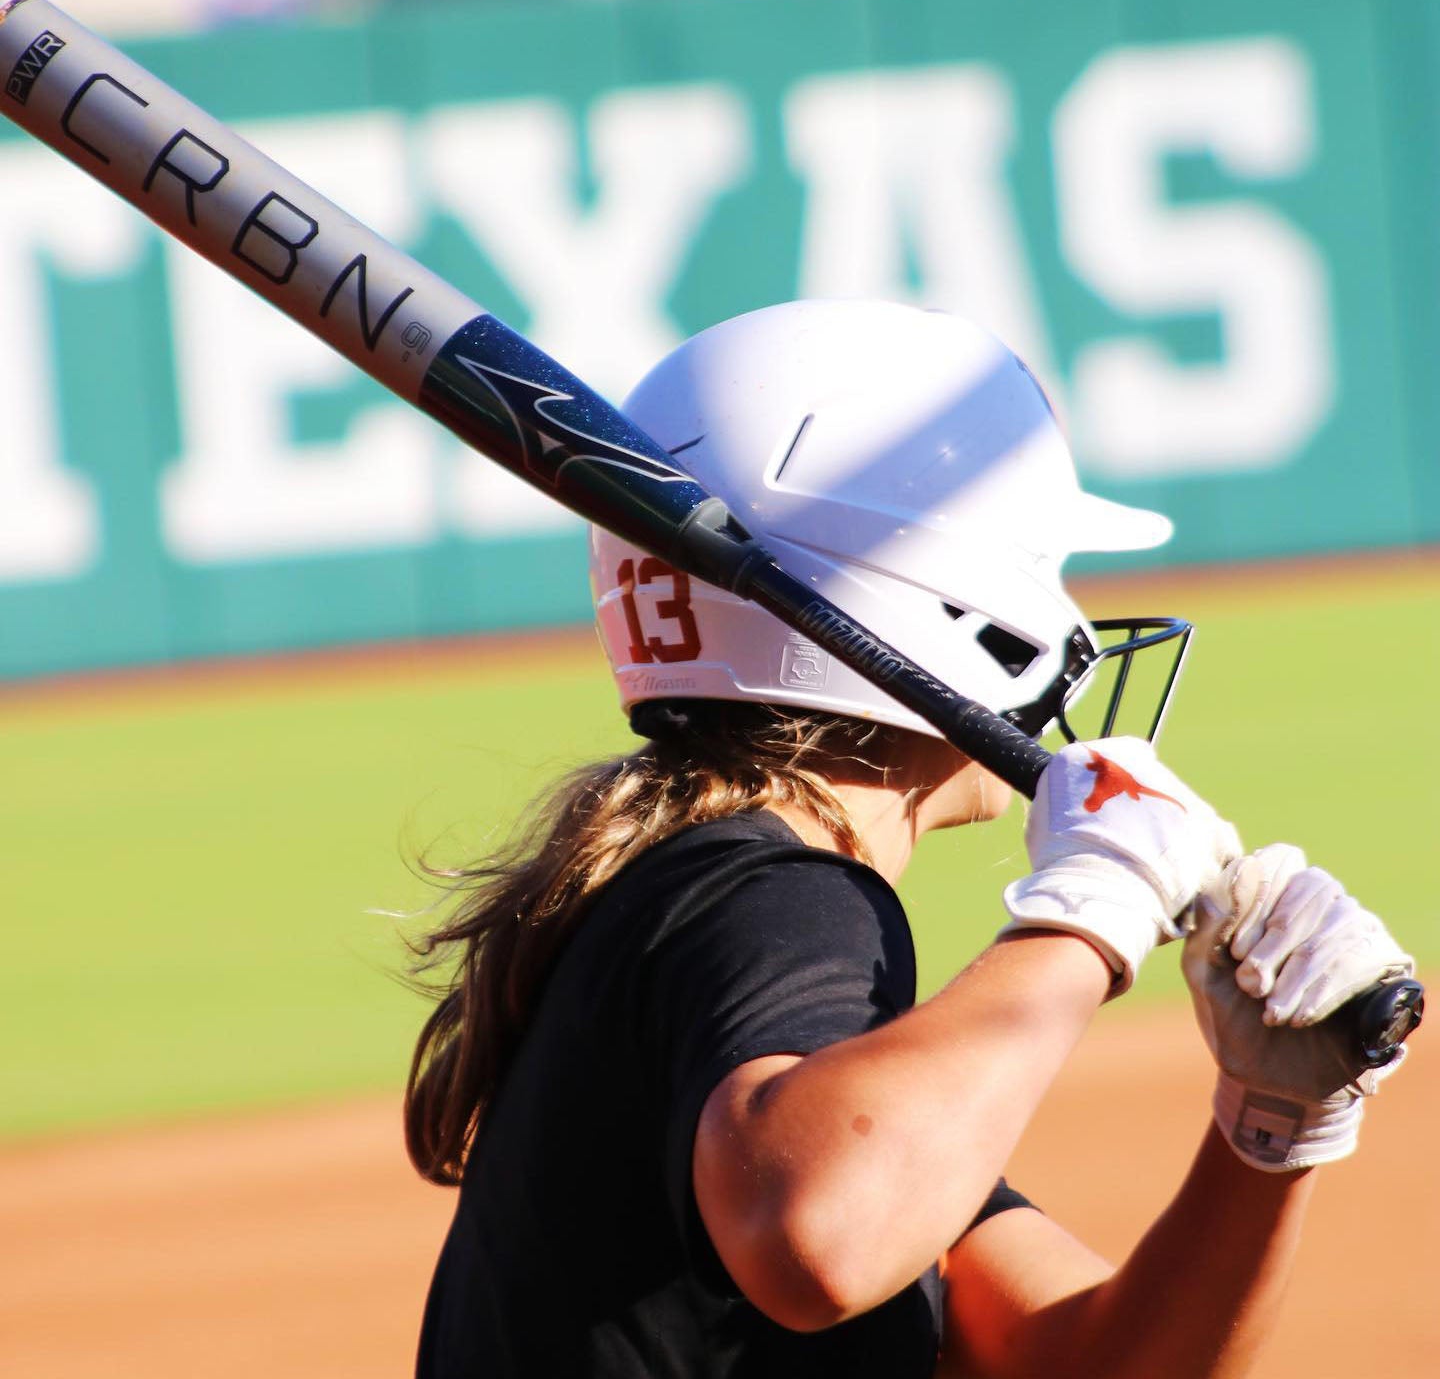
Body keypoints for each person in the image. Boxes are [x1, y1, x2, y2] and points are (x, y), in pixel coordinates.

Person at [404, 300, 1413, 1378]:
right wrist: (1095, 911)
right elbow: (818, 1243)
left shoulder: (692, 909)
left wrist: (1270, 1133)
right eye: (1043, 567)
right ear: (945, 599)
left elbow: (1088, 1365)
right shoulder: (773, 895)